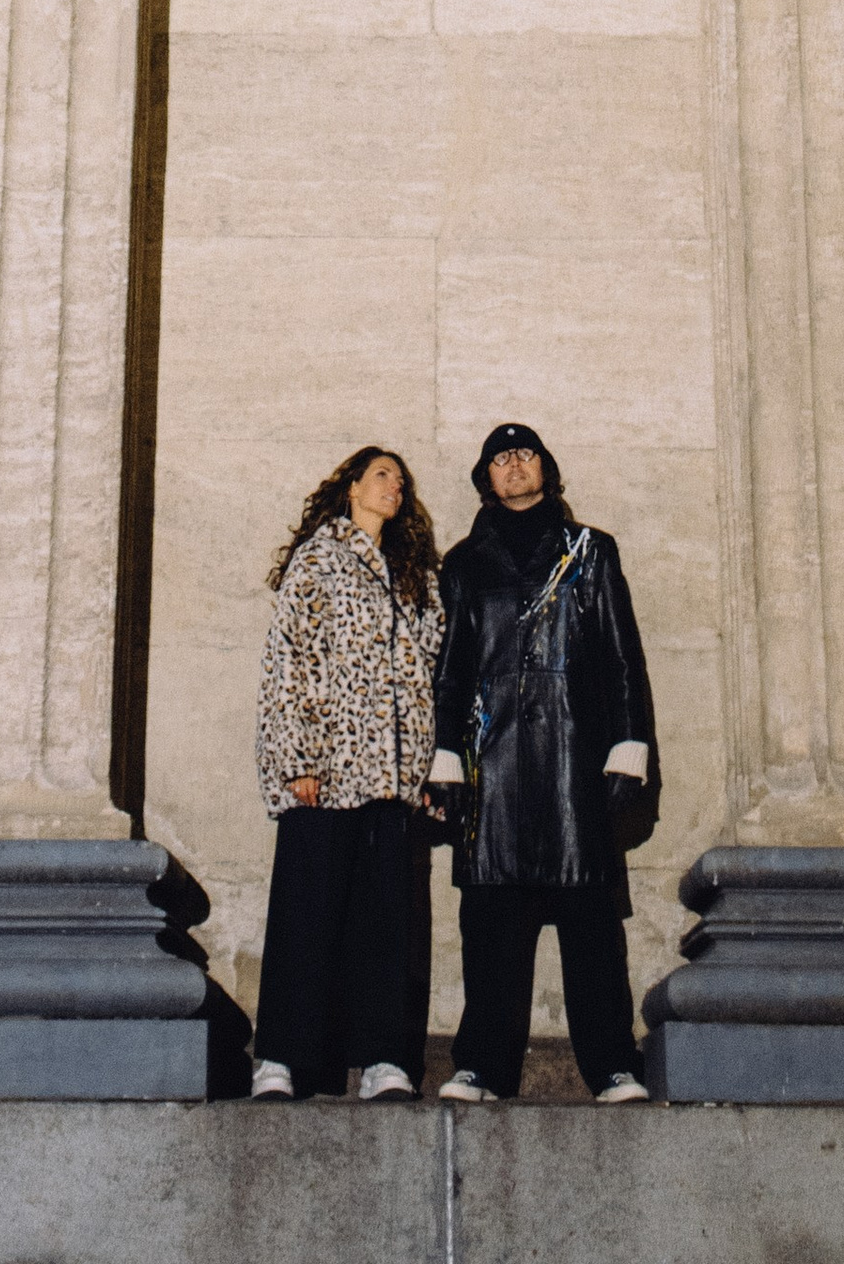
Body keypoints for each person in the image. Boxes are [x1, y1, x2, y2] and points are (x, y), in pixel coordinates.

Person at [428, 421, 656, 1104]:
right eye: (501, 459)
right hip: (493, 770)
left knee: (590, 927)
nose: (514, 466)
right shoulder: (464, 563)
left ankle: (612, 1065)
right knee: (490, 927)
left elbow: (621, 656)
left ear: (546, 469)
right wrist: (446, 756)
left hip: (571, 767)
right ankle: (481, 1066)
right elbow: (451, 670)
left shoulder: (591, 551)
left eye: (525, 454)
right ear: (486, 478)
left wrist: (627, 747)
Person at [249, 444, 444, 1100]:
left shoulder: (412, 571)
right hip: (325, 772)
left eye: (402, 479)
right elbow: (290, 661)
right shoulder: (319, 559)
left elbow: (429, 666)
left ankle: (384, 1060)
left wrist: (424, 768)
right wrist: (298, 759)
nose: (396, 486)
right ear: (352, 486)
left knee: (385, 921)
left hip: (391, 776)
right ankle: (278, 1057)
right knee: (306, 916)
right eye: (383, 475)